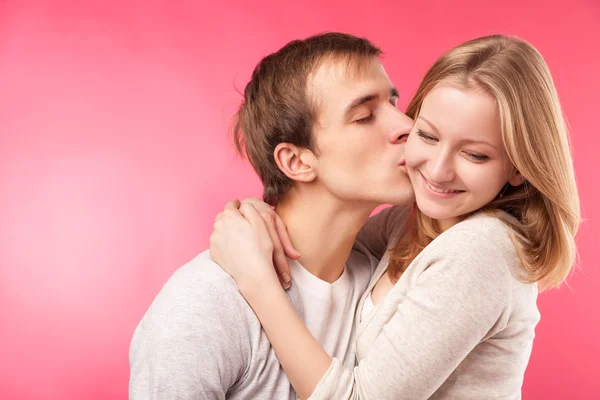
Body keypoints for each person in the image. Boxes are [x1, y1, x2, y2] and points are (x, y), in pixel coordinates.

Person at [209, 35, 581, 399]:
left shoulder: (481, 249)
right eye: (429, 136)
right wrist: (254, 217)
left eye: (475, 156)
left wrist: (257, 280)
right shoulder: (404, 222)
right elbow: (320, 245)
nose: (437, 170)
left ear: (519, 167)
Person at [128, 32, 416, 399]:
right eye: (364, 116)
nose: (406, 125)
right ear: (296, 161)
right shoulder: (206, 302)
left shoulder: (379, 283)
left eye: (394, 103)